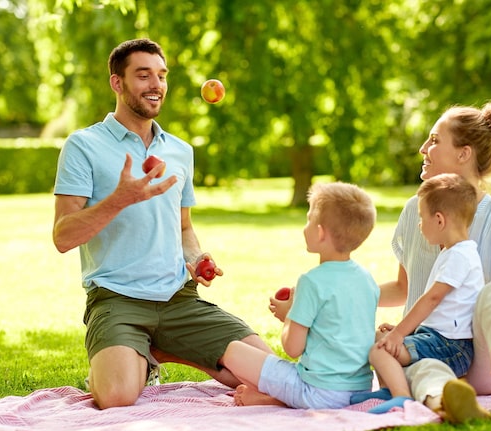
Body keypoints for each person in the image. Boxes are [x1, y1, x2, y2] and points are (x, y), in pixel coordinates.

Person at [52, 38, 272, 409]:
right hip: (117, 298)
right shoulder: (83, 145)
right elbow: (63, 236)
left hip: (178, 299)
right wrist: (119, 200)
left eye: (161, 76)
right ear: (117, 83)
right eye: (143, 75)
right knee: (118, 397)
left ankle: (162, 349)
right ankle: (135, 353)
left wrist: (198, 257)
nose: (156, 85)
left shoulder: (180, 150)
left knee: (271, 374)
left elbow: (184, 227)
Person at [375, 99, 491, 425]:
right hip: (430, 351)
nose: (424, 148)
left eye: (435, 140)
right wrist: (335, 292)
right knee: (421, 367)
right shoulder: (416, 210)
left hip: (485, 361)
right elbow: (403, 287)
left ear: (463, 154)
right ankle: (449, 402)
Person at [220, 182, 380, 409]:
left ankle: (273, 400)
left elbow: (292, 348)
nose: (305, 227)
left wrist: (290, 314)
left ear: (320, 232)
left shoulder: (312, 281)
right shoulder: (367, 279)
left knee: (233, 351)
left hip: (318, 392)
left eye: (308, 220)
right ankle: (275, 399)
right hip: (359, 388)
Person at [364, 173, 484, 414]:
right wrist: (400, 331)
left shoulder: (459, 256)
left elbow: (431, 299)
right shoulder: (453, 252)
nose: (419, 225)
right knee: (379, 338)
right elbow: (441, 311)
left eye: (421, 217)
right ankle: (391, 388)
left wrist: (399, 334)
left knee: (379, 349)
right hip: (436, 339)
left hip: (450, 346)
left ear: (439, 220)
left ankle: (401, 396)